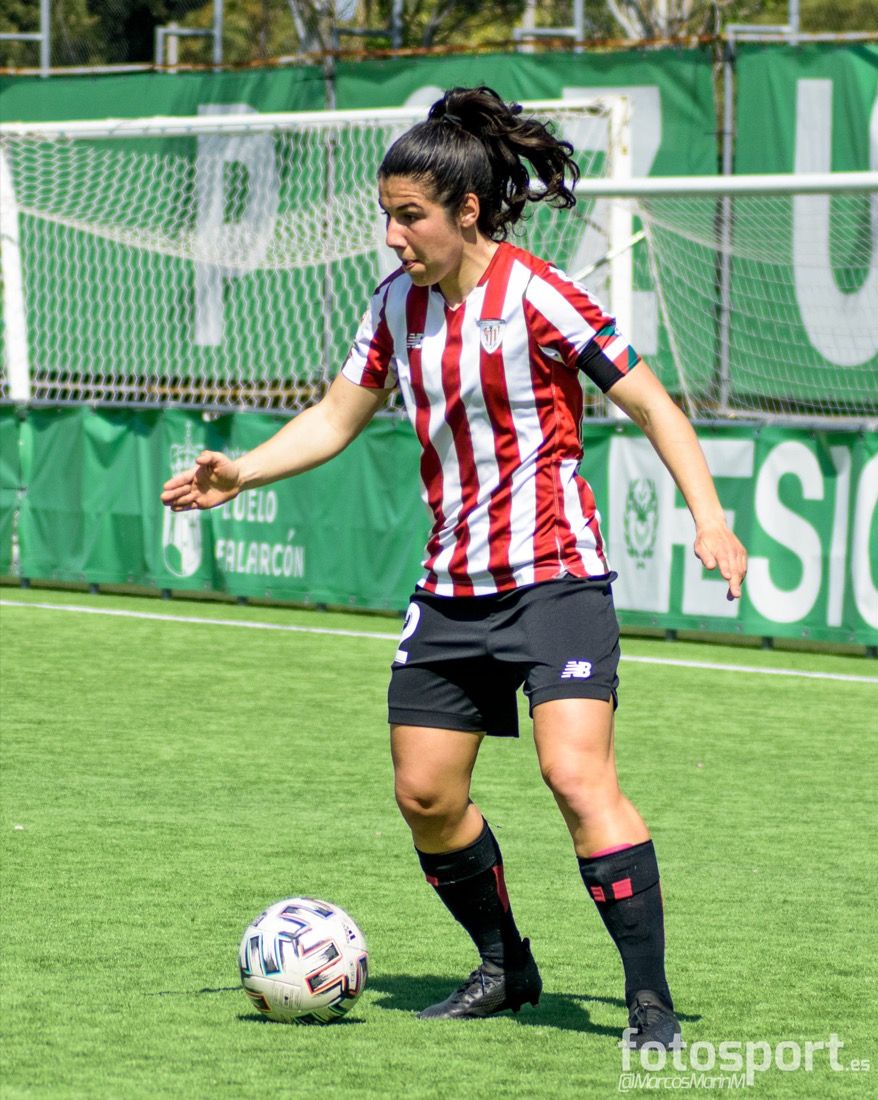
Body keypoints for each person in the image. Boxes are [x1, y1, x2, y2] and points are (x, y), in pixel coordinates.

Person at [161, 86, 747, 1048]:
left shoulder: (540, 294)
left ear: (467, 210)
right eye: (386, 215)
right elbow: (336, 416)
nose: (392, 236)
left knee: (574, 775)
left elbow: (654, 405)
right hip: (451, 587)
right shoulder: (394, 305)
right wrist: (243, 472)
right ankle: (506, 966)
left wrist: (710, 518)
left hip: (555, 576)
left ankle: (649, 1002)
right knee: (425, 797)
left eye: (409, 216)